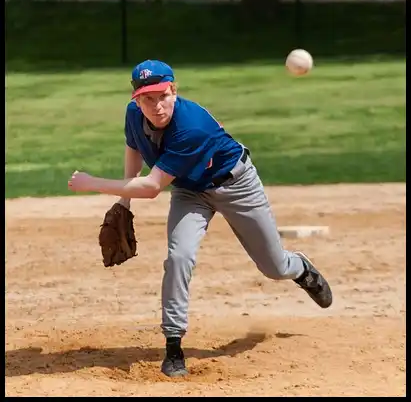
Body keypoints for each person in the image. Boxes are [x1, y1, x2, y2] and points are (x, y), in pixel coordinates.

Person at [68, 59, 333, 378]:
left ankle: (300, 267)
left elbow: (152, 187)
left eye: (162, 95)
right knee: (179, 257)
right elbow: (134, 150)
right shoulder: (134, 115)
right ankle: (174, 345)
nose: (156, 105)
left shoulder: (191, 125)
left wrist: (91, 183)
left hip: (236, 185)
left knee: (274, 266)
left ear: (174, 91)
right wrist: (124, 203)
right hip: (189, 192)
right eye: (147, 99)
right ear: (136, 100)